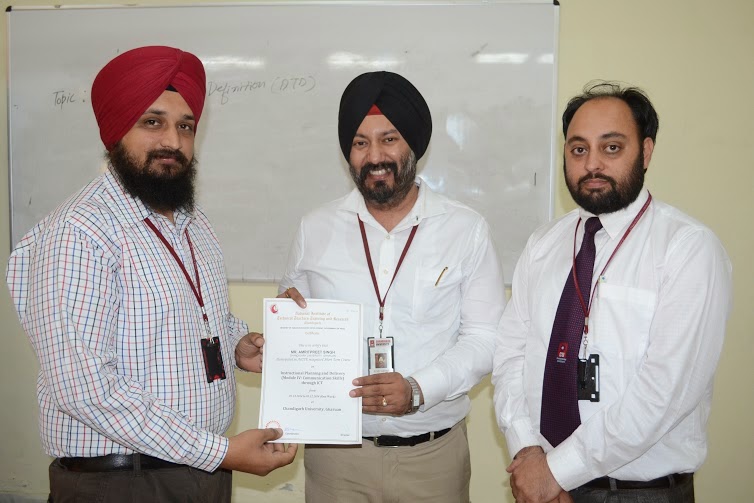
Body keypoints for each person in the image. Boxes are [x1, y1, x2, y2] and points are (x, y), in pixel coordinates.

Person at [5, 46, 296, 502]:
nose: (173, 142)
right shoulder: (80, 231)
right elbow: (85, 389)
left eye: (186, 126)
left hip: (200, 473)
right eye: (152, 122)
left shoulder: (193, 222)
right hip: (121, 483)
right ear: (116, 131)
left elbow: (194, 320)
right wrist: (219, 452)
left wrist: (236, 344)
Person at [491, 82, 732, 503]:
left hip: (641, 493)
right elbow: (510, 353)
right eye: (578, 149)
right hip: (542, 482)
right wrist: (527, 451)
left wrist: (556, 470)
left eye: (612, 148)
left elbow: (663, 394)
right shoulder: (544, 243)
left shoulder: (687, 248)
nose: (592, 164)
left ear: (646, 152)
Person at [278, 71, 506, 502]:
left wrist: (419, 389)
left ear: (412, 145)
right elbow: (293, 316)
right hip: (336, 459)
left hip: (433, 459)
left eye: (389, 139)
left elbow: (486, 337)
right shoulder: (315, 228)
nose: (375, 156)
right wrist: (286, 328)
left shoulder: (465, 229)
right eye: (360, 143)